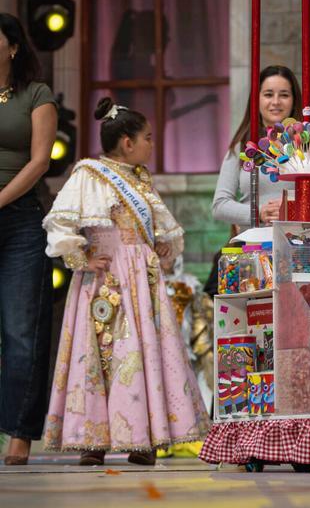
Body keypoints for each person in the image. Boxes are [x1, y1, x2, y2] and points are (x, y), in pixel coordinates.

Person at [42, 98, 210, 465]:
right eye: (147, 137)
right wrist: (80, 256)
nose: (153, 144)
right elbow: (60, 222)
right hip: (107, 275)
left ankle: (142, 438)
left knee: (145, 350)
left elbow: (163, 231)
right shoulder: (89, 175)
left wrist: (161, 249)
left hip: (141, 278)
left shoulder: (141, 180)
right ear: (128, 143)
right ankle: (94, 440)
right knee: (100, 351)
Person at [206, 65, 310, 295]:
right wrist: (257, 213)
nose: (275, 102)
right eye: (268, 94)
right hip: (253, 258)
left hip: (303, 255)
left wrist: (295, 209)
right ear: (256, 100)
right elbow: (219, 205)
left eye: (284, 95)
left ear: (294, 100)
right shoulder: (242, 147)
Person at [0, 13, 57, 466]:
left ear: (13, 47)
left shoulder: (36, 95)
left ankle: (19, 433)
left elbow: (40, 162)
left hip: (21, 219)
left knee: (21, 331)